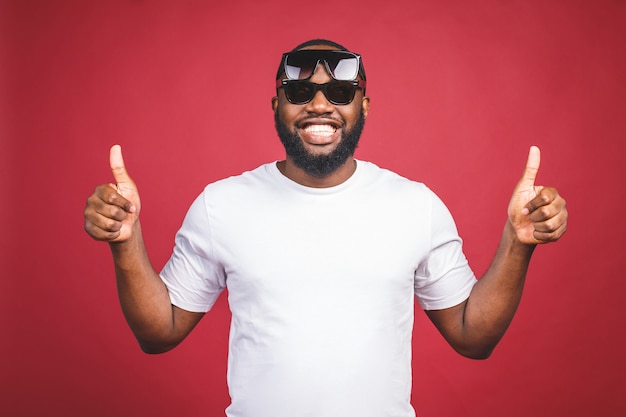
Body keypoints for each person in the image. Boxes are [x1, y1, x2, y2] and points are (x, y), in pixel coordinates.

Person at [84, 39, 568, 417]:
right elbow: (159, 332)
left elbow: (472, 337)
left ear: (364, 106)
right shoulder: (222, 205)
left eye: (339, 92)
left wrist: (517, 242)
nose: (320, 105)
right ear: (276, 106)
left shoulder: (415, 206)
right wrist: (125, 241)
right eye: (299, 92)